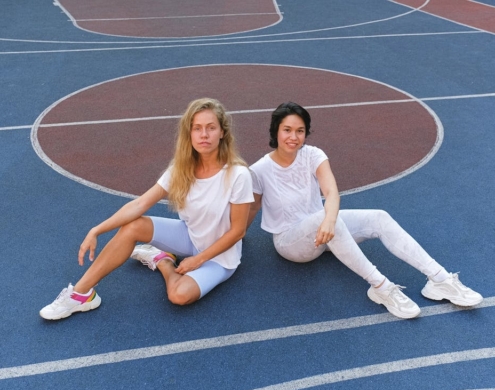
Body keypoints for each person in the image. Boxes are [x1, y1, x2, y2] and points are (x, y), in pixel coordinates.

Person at [247, 101, 482, 319]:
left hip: (324, 230)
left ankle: (439, 279)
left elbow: (330, 191)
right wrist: (236, 238)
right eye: (287, 129)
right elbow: (252, 206)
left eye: (300, 130)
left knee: (379, 217)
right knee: (330, 219)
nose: (294, 136)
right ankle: (381, 287)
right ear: (275, 131)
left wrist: (328, 220)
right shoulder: (260, 170)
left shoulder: (313, 155)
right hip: (292, 243)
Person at [40, 98, 254, 320]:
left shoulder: (238, 175)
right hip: (191, 237)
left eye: (211, 128)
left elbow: (238, 231)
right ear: (189, 134)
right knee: (133, 226)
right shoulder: (181, 169)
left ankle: (162, 261)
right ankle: (81, 295)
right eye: (197, 128)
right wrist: (97, 230)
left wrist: (198, 260)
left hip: (220, 257)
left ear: (222, 133)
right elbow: (140, 204)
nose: (204, 135)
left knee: (179, 295)